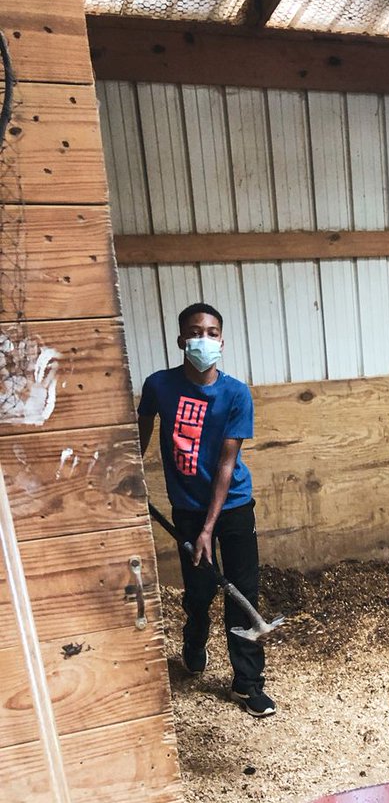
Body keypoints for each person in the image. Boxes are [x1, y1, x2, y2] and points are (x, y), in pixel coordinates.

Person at [137, 303, 276, 717]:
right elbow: (137, 438)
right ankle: (194, 640)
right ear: (182, 341)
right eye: (196, 332)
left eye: (212, 332)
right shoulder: (159, 386)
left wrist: (209, 528)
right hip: (187, 508)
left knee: (241, 592)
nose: (204, 339)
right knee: (199, 591)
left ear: (222, 341)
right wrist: (129, 480)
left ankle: (247, 684)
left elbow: (226, 464)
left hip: (232, 506)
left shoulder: (235, 393)